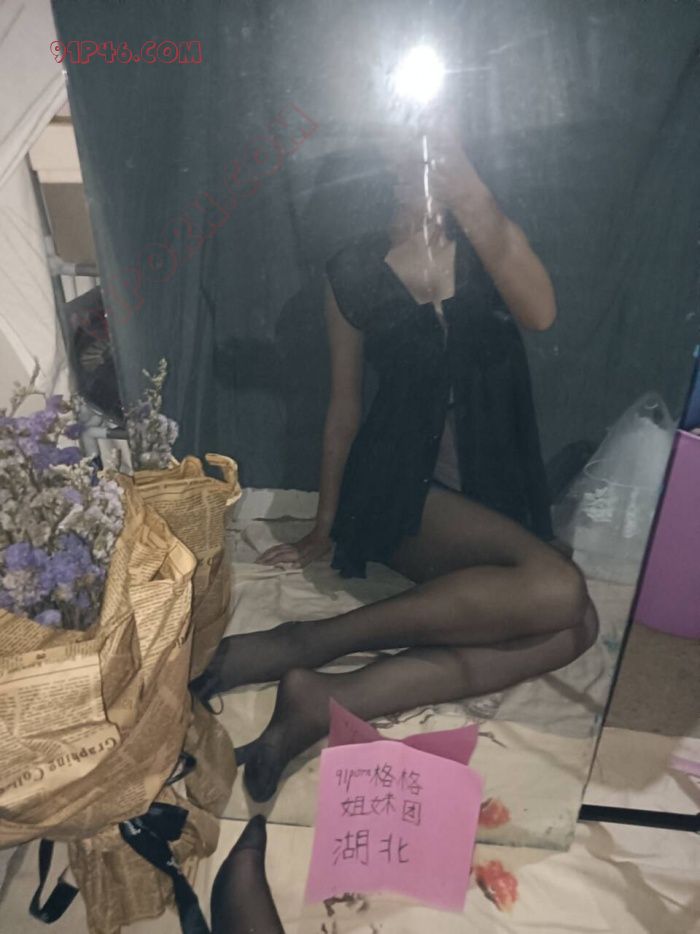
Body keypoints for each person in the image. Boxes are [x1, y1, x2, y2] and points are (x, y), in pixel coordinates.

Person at [193, 121, 599, 803]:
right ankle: (304, 643)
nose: (417, 169)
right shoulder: (353, 269)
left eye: (435, 154)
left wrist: (469, 189)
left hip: (498, 491)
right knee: (560, 594)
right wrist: (324, 526)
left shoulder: (490, 241)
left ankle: (326, 698)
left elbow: (541, 313)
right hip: (398, 486)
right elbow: (344, 409)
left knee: (577, 625)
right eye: (404, 159)